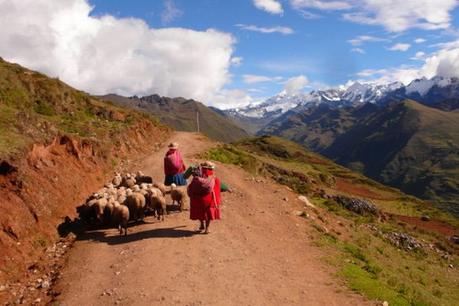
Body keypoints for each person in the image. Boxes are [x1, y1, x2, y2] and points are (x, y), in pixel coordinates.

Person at [187, 161, 221, 234]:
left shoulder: (197, 177)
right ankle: (207, 228)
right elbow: (217, 189)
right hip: (208, 200)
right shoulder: (213, 178)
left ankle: (202, 225)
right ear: (211, 169)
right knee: (208, 213)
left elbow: (191, 188)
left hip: (198, 200)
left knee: (200, 211)